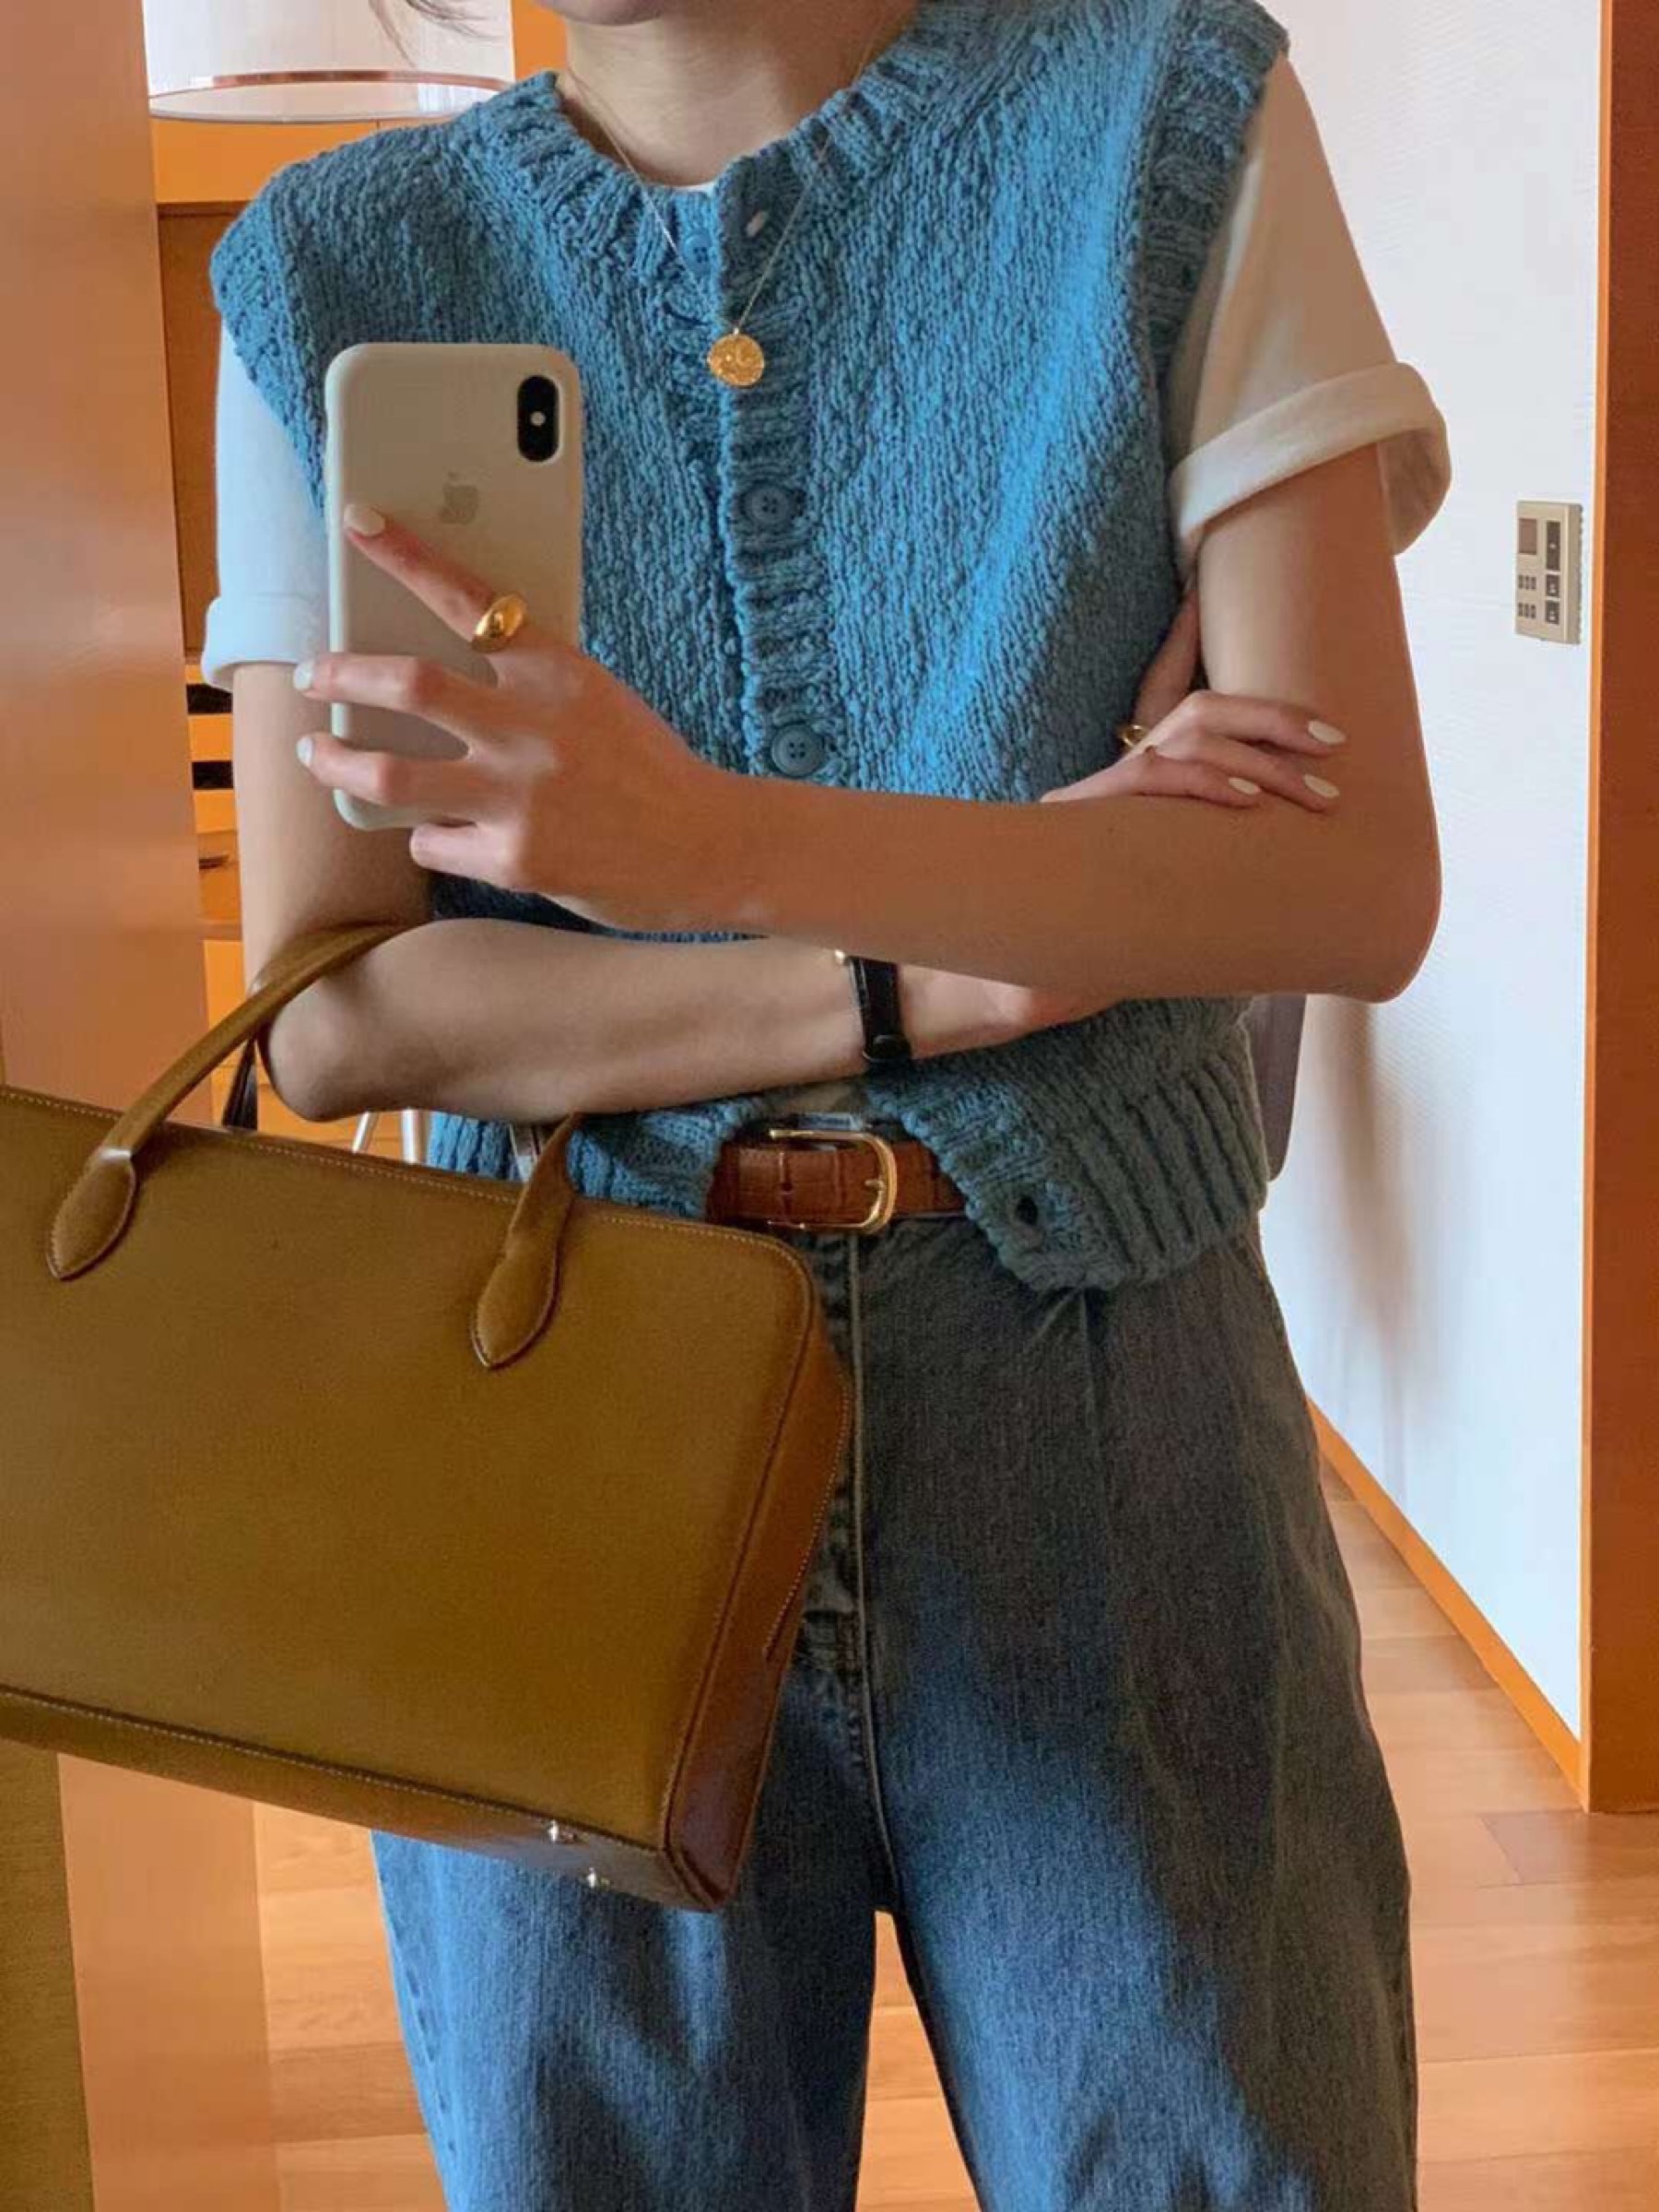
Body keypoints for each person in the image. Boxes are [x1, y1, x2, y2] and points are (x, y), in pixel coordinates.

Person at [204, 1, 1449, 2204]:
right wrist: (944, 967)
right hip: (559, 1416)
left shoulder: (1164, 123)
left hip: (1109, 1387)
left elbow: (1343, 883)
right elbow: (337, 1005)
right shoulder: (332, 266)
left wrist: (709, 850)